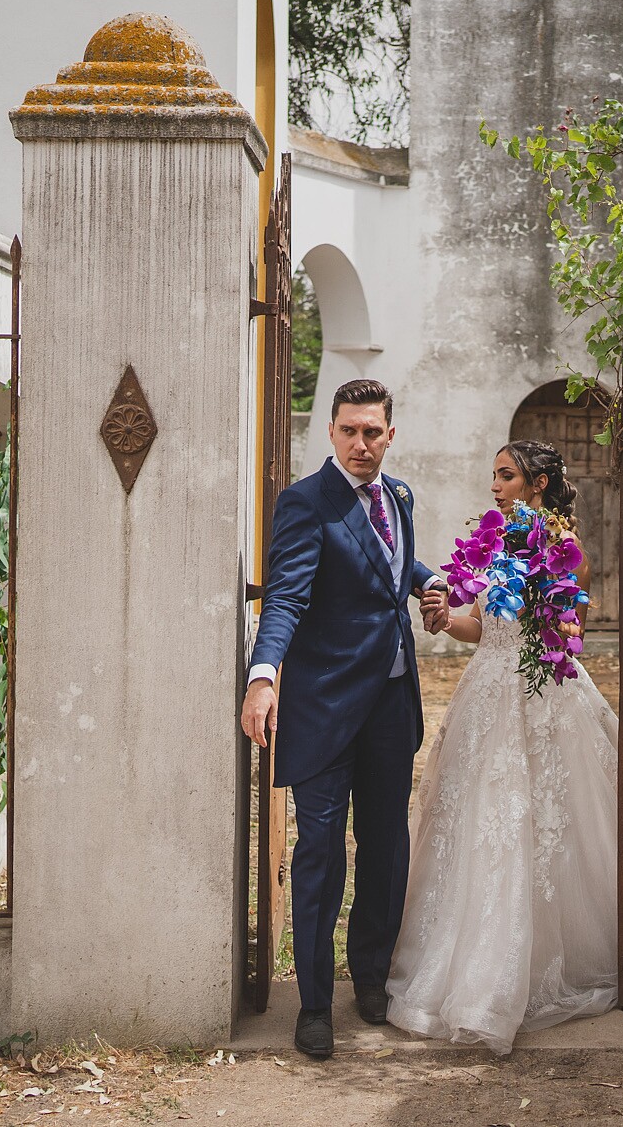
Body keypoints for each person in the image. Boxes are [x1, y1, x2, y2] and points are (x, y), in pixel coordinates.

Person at [388, 439, 620, 1054]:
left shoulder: (565, 552)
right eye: (493, 475)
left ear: (537, 484)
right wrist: (444, 617)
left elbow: (565, 631)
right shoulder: (489, 544)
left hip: (541, 693)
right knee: (477, 821)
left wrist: (555, 607)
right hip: (485, 692)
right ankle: (464, 956)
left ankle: (538, 960)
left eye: (506, 475)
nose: (494, 485)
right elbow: (482, 626)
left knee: (545, 823)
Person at [241, 379, 444, 1060]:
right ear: (331, 433)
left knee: (386, 848)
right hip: (324, 708)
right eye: (351, 430)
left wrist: (425, 580)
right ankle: (315, 1004)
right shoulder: (305, 502)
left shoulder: (400, 497)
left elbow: (387, 560)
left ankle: (372, 981)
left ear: (391, 435)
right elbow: (289, 597)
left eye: (374, 431)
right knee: (322, 854)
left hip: (391, 703)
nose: (362, 443)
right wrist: (264, 676)